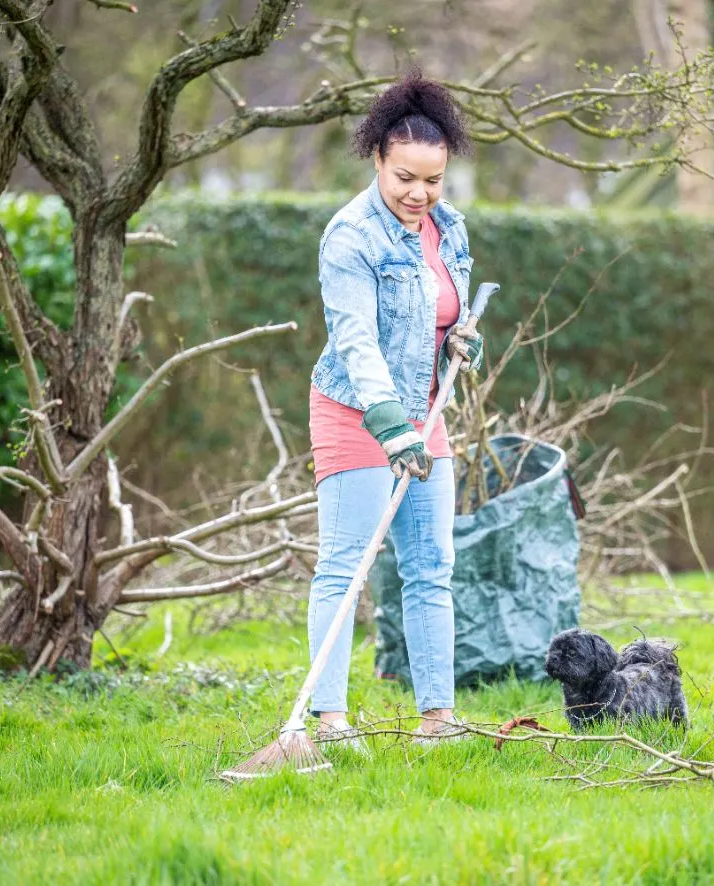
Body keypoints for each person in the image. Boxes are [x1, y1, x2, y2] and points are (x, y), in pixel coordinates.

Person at [306, 70, 483, 744]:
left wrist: (460, 339)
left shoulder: (449, 227)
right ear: (377, 157)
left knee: (431, 566)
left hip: (423, 414)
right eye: (405, 177)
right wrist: (388, 426)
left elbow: (440, 314)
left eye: (433, 180)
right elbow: (355, 339)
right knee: (346, 566)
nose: (419, 193)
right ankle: (328, 721)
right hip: (358, 414)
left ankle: (438, 719)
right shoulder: (350, 237)